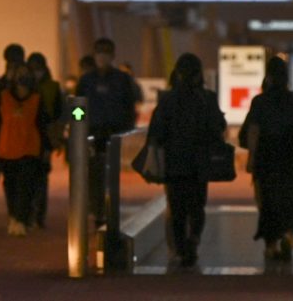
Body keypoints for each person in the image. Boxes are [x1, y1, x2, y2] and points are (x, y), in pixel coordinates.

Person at [148, 53, 227, 269]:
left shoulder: (167, 99)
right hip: (200, 162)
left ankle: (181, 249)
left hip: (174, 162)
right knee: (197, 206)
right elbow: (218, 127)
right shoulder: (207, 98)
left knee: (176, 207)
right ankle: (194, 240)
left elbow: (156, 132)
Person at [239, 56, 293, 260]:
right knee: (290, 199)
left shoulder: (260, 101)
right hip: (290, 158)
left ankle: (271, 244)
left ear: (268, 76)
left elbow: (253, 132)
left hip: (266, 159)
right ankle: (288, 235)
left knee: (267, 202)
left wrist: (251, 159)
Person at [77, 37, 138, 226]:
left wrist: (126, 131)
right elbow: (77, 106)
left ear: (112, 55)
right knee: (94, 175)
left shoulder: (122, 80)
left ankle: (110, 211)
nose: (101, 57)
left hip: (115, 134)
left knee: (112, 176)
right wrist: (79, 126)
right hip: (93, 133)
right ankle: (98, 212)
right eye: (98, 52)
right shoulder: (86, 80)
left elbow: (130, 108)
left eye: (105, 53)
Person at [0, 64, 50, 236]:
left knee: (25, 186)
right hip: (6, 149)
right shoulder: (3, 97)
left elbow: (42, 125)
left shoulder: (37, 99)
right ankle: (13, 217)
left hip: (29, 150)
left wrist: (46, 148)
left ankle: (21, 220)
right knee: (10, 186)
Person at [27, 51, 64, 229]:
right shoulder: (24, 86)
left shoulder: (53, 87)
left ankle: (38, 215)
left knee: (41, 177)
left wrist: (57, 138)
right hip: (25, 138)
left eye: (38, 68)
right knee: (27, 178)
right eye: (32, 68)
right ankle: (28, 214)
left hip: (45, 139)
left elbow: (63, 114)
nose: (36, 72)